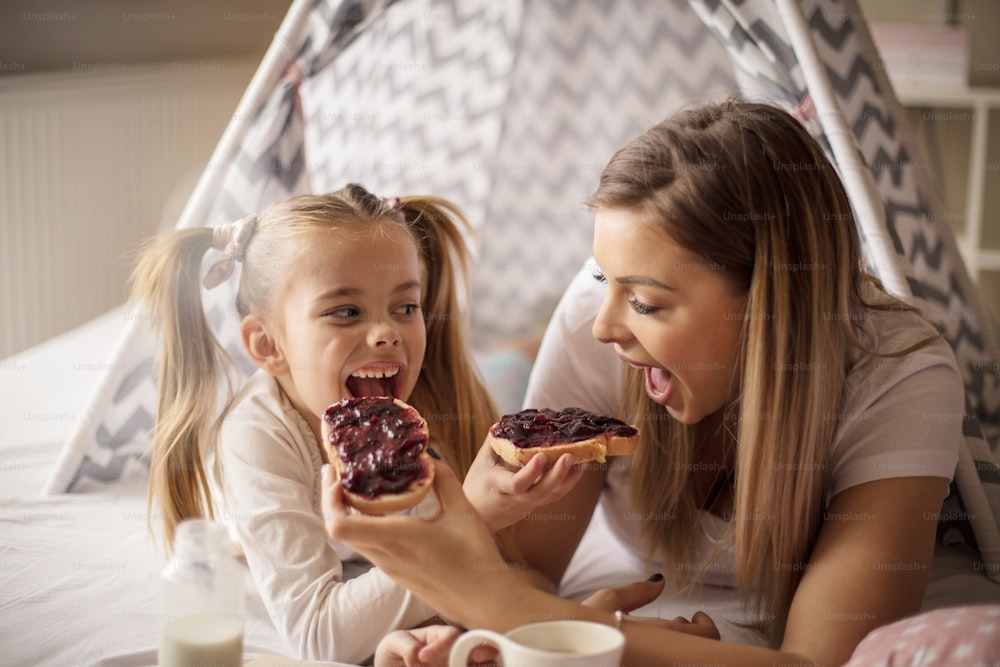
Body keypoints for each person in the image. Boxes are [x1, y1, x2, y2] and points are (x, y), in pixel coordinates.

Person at [323, 99, 970, 666]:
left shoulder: (902, 376)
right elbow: (531, 575)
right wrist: (477, 627)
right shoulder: (590, 321)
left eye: (648, 303)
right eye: (605, 278)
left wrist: (513, 608)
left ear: (775, 304)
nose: (604, 326)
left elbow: (815, 660)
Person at [129, 184, 581, 663]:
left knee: (512, 366)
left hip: (494, 376)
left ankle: (530, 340)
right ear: (267, 346)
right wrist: (469, 520)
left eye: (406, 307)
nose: (387, 333)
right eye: (345, 312)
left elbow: (506, 576)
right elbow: (321, 634)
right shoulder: (255, 436)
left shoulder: (412, 405)